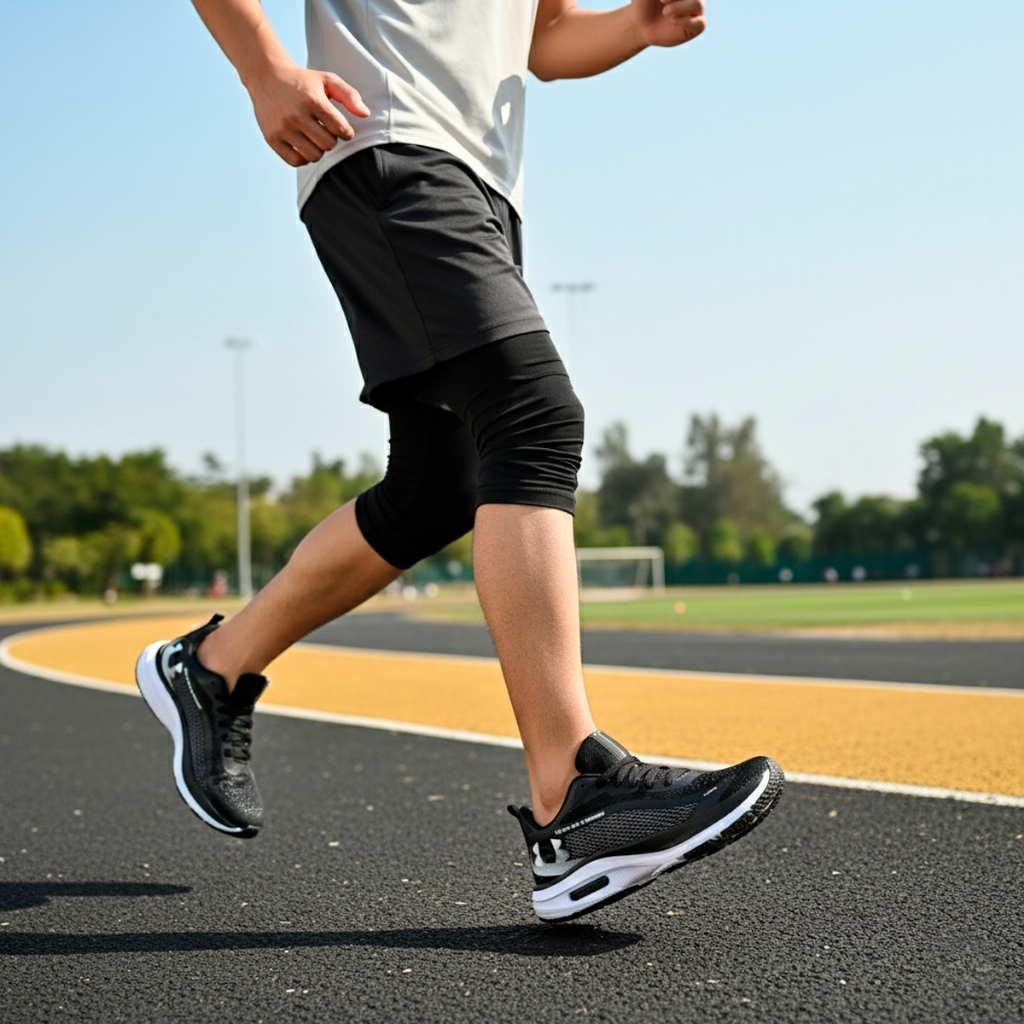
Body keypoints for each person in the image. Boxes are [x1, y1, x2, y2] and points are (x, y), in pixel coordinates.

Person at [136, 0, 784, 922]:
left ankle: (212, 666)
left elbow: (544, 40)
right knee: (532, 416)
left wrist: (633, 26)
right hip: (384, 142)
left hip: (483, 180)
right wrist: (263, 69)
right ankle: (575, 799)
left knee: (443, 486)